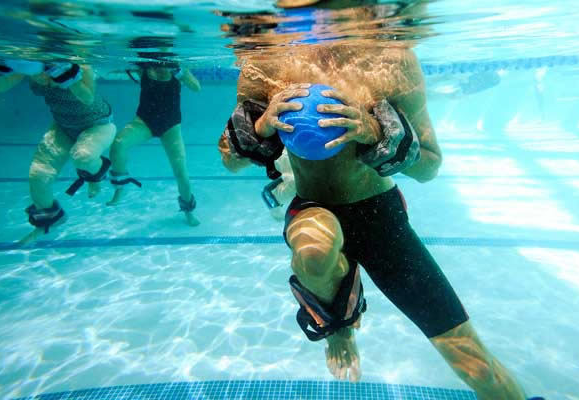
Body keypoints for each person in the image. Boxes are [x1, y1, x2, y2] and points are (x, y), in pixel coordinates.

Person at [217, 1, 544, 399]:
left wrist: (377, 133)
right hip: (313, 207)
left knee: (477, 367)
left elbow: (430, 167)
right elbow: (229, 162)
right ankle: (339, 323)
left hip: (379, 216)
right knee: (314, 252)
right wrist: (262, 127)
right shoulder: (265, 61)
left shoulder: (392, 58)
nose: (323, 19)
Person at [0, 58, 115, 244]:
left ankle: (95, 177)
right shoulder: (29, 62)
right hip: (62, 126)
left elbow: (87, 97)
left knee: (83, 156)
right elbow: (0, 87)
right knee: (38, 176)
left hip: (97, 124)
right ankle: (50, 221)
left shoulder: (77, 61)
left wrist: (64, 73)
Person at [107, 49, 201, 226]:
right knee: (118, 144)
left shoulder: (176, 67)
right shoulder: (144, 67)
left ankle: (188, 210)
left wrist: (179, 71)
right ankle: (120, 186)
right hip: (144, 122)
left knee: (182, 173)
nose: (162, 68)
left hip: (170, 127)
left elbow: (196, 87)